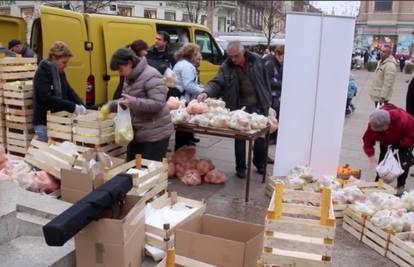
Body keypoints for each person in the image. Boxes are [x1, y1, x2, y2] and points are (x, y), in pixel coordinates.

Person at [197, 41, 271, 178]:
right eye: (230, 56)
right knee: (240, 139)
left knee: (261, 139)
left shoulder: (257, 61)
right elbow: (217, 82)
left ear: (243, 52)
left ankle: (260, 163)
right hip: (239, 107)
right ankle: (241, 168)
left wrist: (268, 100)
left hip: (258, 105)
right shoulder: (226, 67)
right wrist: (206, 92)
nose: (233, 59)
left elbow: (266, 81)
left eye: (236, 56)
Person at [106, 48, 173, 161]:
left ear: (129, 63)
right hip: (139, 133)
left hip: (155, 134)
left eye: (120, 69)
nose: (120, 73)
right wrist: (110, 106)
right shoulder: (130, 78)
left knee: (148, 173)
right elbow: (126, 100)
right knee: (133, 170)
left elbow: (158, 103)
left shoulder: (151, 75)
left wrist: (133, 102)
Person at [33, 41, 86, 142]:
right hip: (44, 124)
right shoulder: (42, 73)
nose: (66, 65)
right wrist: (73, 107)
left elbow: (69, 91)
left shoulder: (59, 72)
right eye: (64, 62)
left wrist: (82, 106)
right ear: (54, 58)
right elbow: (47, 99)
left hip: (59, 121)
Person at [363, 104, 414, 196]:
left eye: (381, 129)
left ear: (388, 123)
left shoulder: (404, 120)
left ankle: (400, 187)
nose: (378, 131)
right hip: (385, 143)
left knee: (402, 165)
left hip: (403, 143)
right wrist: (371, 156)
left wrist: (400, 143)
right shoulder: (374, 123)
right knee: (382, 163)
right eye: (376, 130)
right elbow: (367, 139)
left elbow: (412, 136)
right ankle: (378, 185)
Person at [172, 43, 204, 151]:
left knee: (182, 129)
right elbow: (188, 85)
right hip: (184, 100)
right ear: (192, 54)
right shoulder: (187, 66)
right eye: (197, 53)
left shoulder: (181, 63)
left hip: (181, 99)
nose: (199, 56)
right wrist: (204, 91)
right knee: (183, 130)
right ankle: (181, 154)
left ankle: (181, 153)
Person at [263, 46, 284, 150]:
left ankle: (268, 142)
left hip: (275, 98)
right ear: (278, 54)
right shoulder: (270, 63)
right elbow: (267, 82)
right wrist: (283, 85)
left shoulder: (277, 63)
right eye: (284, 57)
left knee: (274, 122)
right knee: (270, 123)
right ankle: (264, 147)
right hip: (269, 98)